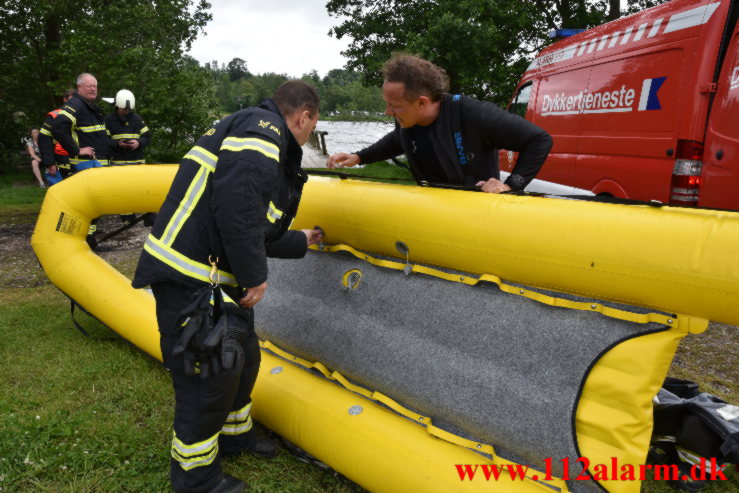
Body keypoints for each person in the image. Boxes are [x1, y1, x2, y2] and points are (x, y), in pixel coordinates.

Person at [132, 80, 322, 493]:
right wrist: (255, 275)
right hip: (194, 277)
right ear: (303, 116)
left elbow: (253, 225)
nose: (307, 139)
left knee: (243, 358)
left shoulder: (252, 130)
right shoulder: (263, 129)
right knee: (209, 373)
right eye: (310, 129)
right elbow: (236, 208)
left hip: (211, 276)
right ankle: (195, 478)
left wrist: (300, 240)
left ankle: (236, 436)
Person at [326, 54, 553, 193]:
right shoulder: (409, 122)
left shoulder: (474, 114)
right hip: (434, 208)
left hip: (478, 211)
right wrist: (358, 157)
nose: (387, 112)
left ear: (421, 102)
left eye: (394, 105)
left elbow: (539, 140)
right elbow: (397, 142)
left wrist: (510, 185)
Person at [51, 73, 110, 170]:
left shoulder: (91, 106)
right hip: (85, 166)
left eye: (95, 86)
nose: (93, 89)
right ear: (79, 87)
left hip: (97, 164)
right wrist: (76, 150)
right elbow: (58, 127)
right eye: (89, 86)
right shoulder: (76, 105)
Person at [39, 88, 75, 184]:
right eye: (72, 99)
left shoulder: (82, 114)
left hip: (80, 159)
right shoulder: (55, 115)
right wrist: (50, 163)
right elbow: (44, 140)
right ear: (65, 100)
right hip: (60, 159)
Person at [105, 89, 151, 165]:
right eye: (124, 109)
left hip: (137, 163)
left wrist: (139, 142)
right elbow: (105, 141)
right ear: (117, 106)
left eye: (129, 109)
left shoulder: (137, 119)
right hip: (117, 164)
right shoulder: (109, 120)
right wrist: (118, 144)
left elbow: (147, 137)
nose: (127, 111)